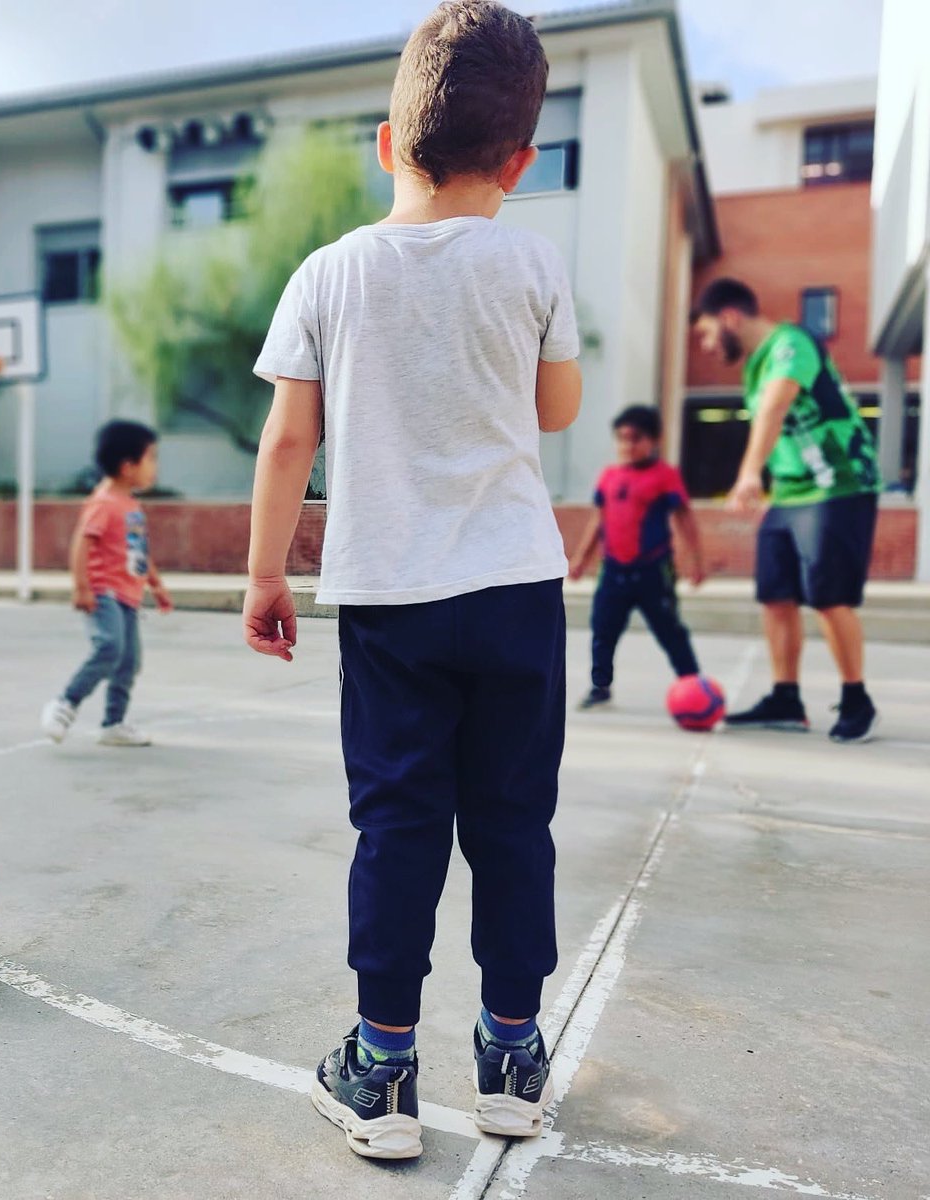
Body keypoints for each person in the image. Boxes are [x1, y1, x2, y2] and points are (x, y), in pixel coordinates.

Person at [243, 1, 581, 1161]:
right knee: (513, 825)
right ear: (521, 161)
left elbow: (289, 443)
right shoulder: (534, 260)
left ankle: (382, 1069)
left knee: (396, 829)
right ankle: (512, 1057)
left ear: (386, 144)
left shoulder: (329, 274)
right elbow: (554, 411)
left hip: (388, 598)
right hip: (516, 592)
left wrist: (262, 579)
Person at [691, 278, 880, 743]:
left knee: (828, 595)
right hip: (792, 494)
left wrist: (749, 474)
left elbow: (777, 407)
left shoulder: (791, 342)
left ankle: (857, 699)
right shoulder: (754, 366)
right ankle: (786, 698)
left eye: (708, 333)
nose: (708, 345)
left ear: (730, 316)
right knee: (775, 594)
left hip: (839, 485)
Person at [41, 420, 173, 747]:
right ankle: (65, 704)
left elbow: (138, 550)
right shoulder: (104, 502)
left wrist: (155, 586)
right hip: (104, 591)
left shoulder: (131, 505)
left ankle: (113, 724)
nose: (155, 466)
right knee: (109, 648)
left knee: (129, 661)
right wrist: (82, 587)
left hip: (129, 594)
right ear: (128, 466)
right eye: (151, 458)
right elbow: (82, 543)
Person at [569, 405, 706, 709]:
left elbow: (684, 519)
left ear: (654, 440)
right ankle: (600, 686)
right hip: (614, 570)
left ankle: (693, 684)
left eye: (636, 438)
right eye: (621, 438)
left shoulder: (664, 476)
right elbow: (598, 520)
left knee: (670, 630)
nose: (627, 445)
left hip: (653, 571)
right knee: (603, 629)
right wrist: (580, 559)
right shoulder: (609, 476)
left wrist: (696, 561)